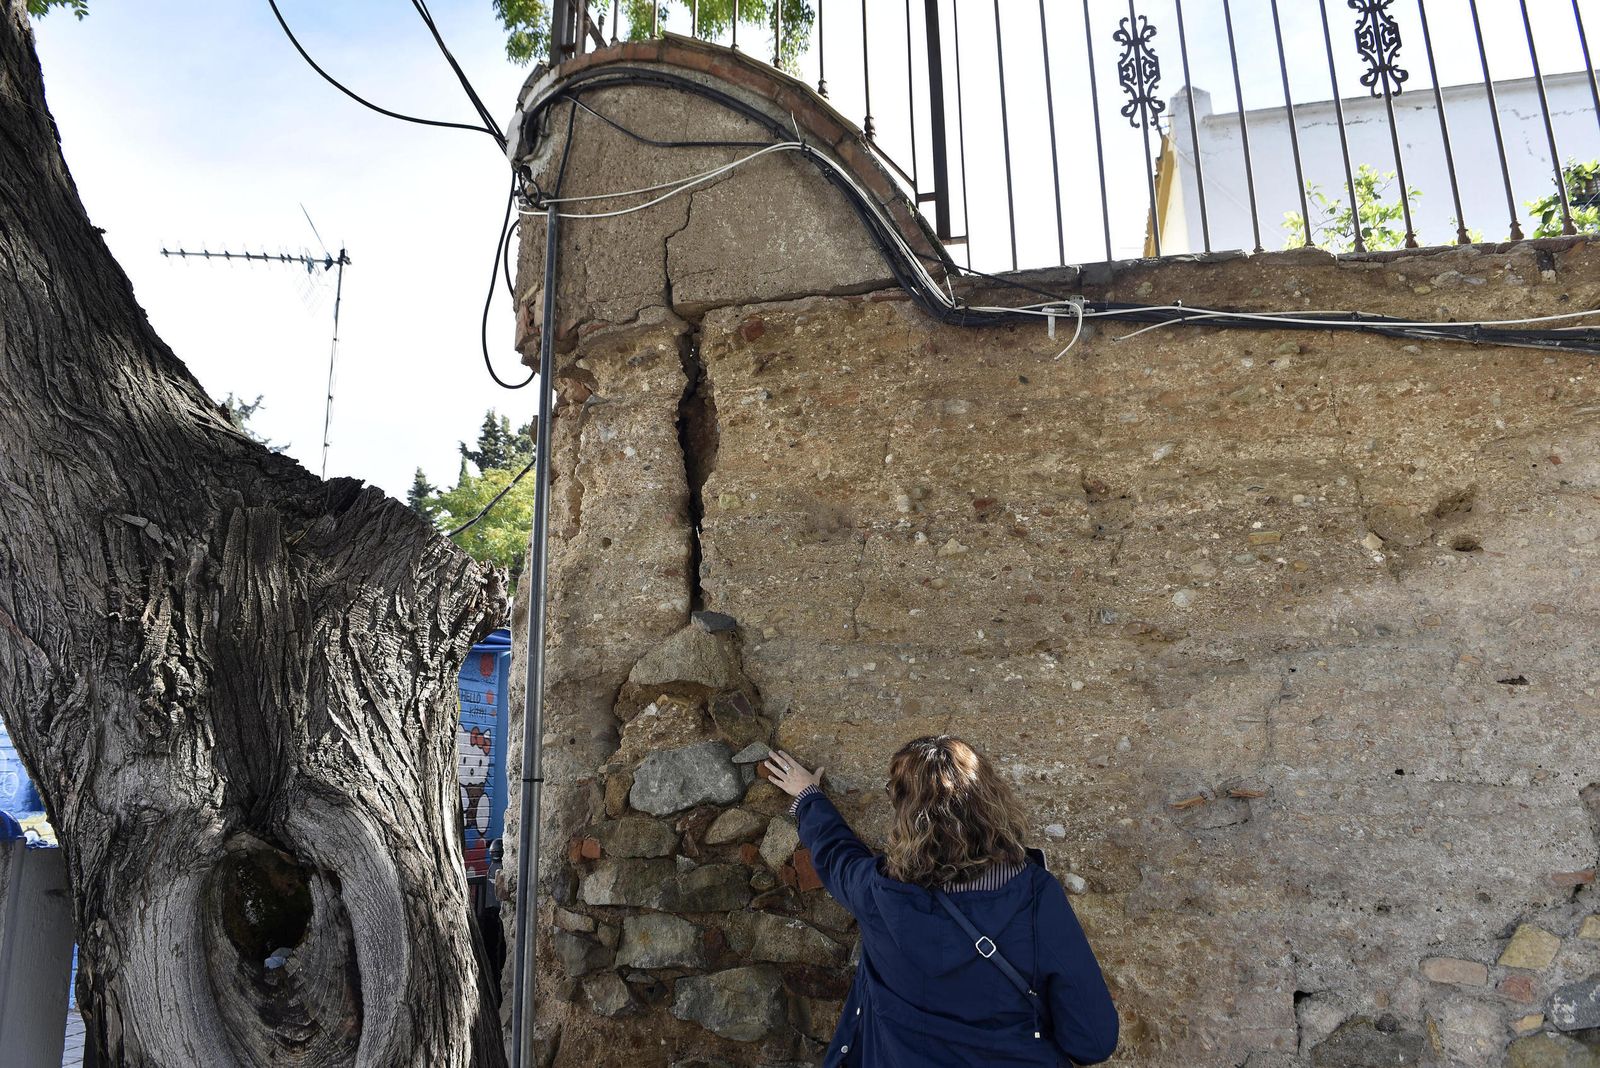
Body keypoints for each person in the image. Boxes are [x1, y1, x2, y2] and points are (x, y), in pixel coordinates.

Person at [763, 735, 1118, 1067]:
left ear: (904, 813)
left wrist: (808, 797)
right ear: (989, 802)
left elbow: (836, 856)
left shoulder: (878, 894)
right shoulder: (1036, 898)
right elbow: (1093, 1041)